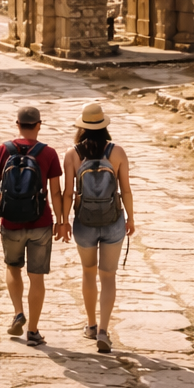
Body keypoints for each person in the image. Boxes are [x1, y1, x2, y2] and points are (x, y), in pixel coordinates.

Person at [0, 105, 67, 346]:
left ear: (17, 124)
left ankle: (18, 312)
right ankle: (33, 330)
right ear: (39, 125)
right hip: (40, 222)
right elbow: (56, 192)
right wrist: (61, 222)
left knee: (12, 268)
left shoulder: (3, 150)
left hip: (10, 222)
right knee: (37, 277)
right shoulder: (48, 153)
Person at [60, 102, 134, 354]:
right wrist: (131, 219)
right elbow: (126, 191)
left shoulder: (71, 154)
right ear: (104, 126)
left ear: (81, 127)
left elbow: (68, 193)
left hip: (84, 223)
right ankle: (103, 330)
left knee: (88, 272)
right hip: (114, 221)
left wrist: (63, 220)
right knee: (108, 277)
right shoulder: (118, 152)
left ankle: (90, 325)